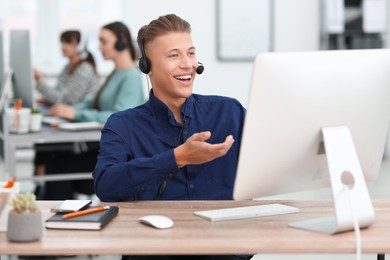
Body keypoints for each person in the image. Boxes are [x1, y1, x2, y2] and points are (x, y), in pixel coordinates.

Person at [93, 14, 249, 260]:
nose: (187, 64)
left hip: (222, 247)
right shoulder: (123, 125)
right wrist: (176, 158)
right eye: (174, 55)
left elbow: (270, 157)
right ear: (147, 67)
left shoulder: (230, 112)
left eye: (190, 53)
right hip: (155, 250)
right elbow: (106, 185)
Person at [37, 21, 145, 200]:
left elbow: (118, 116)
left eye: (103, 41)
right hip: (103, 146)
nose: (99, 46)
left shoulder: (131, 76)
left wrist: (75, 114)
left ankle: (61, 217)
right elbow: (92, 102)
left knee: (56, 165)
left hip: (118, 154)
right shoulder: (116, 73)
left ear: (121, 42)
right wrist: (67, 109)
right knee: (53, 157)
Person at [34, 30, 99, 105]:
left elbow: (67, 101)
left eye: (68, 42)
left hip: (78, 113)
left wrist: (39, 80)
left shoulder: (84, 69)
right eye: (62, 42)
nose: (63, 46)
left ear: (80, 46)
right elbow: (58, 92)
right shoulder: (67, 68)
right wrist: (48, 101)